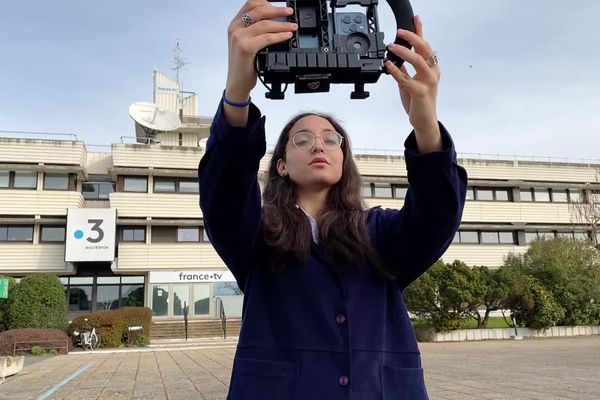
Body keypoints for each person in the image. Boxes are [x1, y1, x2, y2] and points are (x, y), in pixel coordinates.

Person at [198, 1, 467, 398]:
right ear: (283, 164)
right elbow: (223, 193)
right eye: (302, 140)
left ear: (345, 159)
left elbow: (437, 215)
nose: (318, 145)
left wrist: (425, 123)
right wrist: (238, 92)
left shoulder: (380, 234)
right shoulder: (257, 233)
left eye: (331, 139)